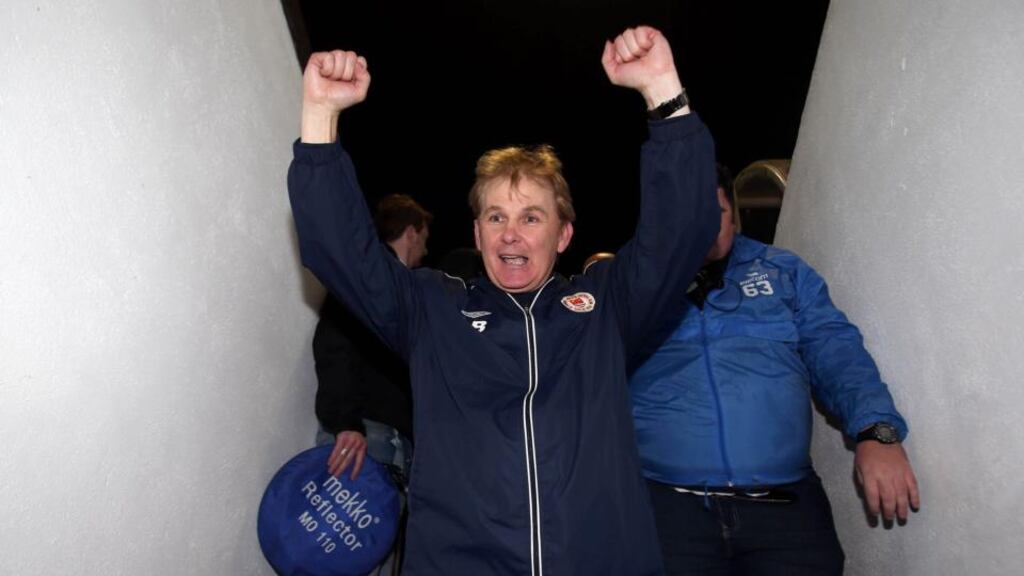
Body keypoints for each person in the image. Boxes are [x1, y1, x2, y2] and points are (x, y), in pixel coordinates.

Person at [288, 26, 719, 575]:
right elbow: (339, 251)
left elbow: (682, 230)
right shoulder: (430, 309)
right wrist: (321, 118)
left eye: (530, 217)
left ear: (563, 236)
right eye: (497, 217)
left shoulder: (607, 307)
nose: (511, 234)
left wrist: (662, 87)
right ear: (478, 232)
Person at [628, 164, 921, 575]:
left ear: (733, 212)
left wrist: (878, 432)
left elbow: (837, 351)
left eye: (714, 212)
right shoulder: (629, 286)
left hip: (785, 515)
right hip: (665, 516)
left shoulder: (785, 273)